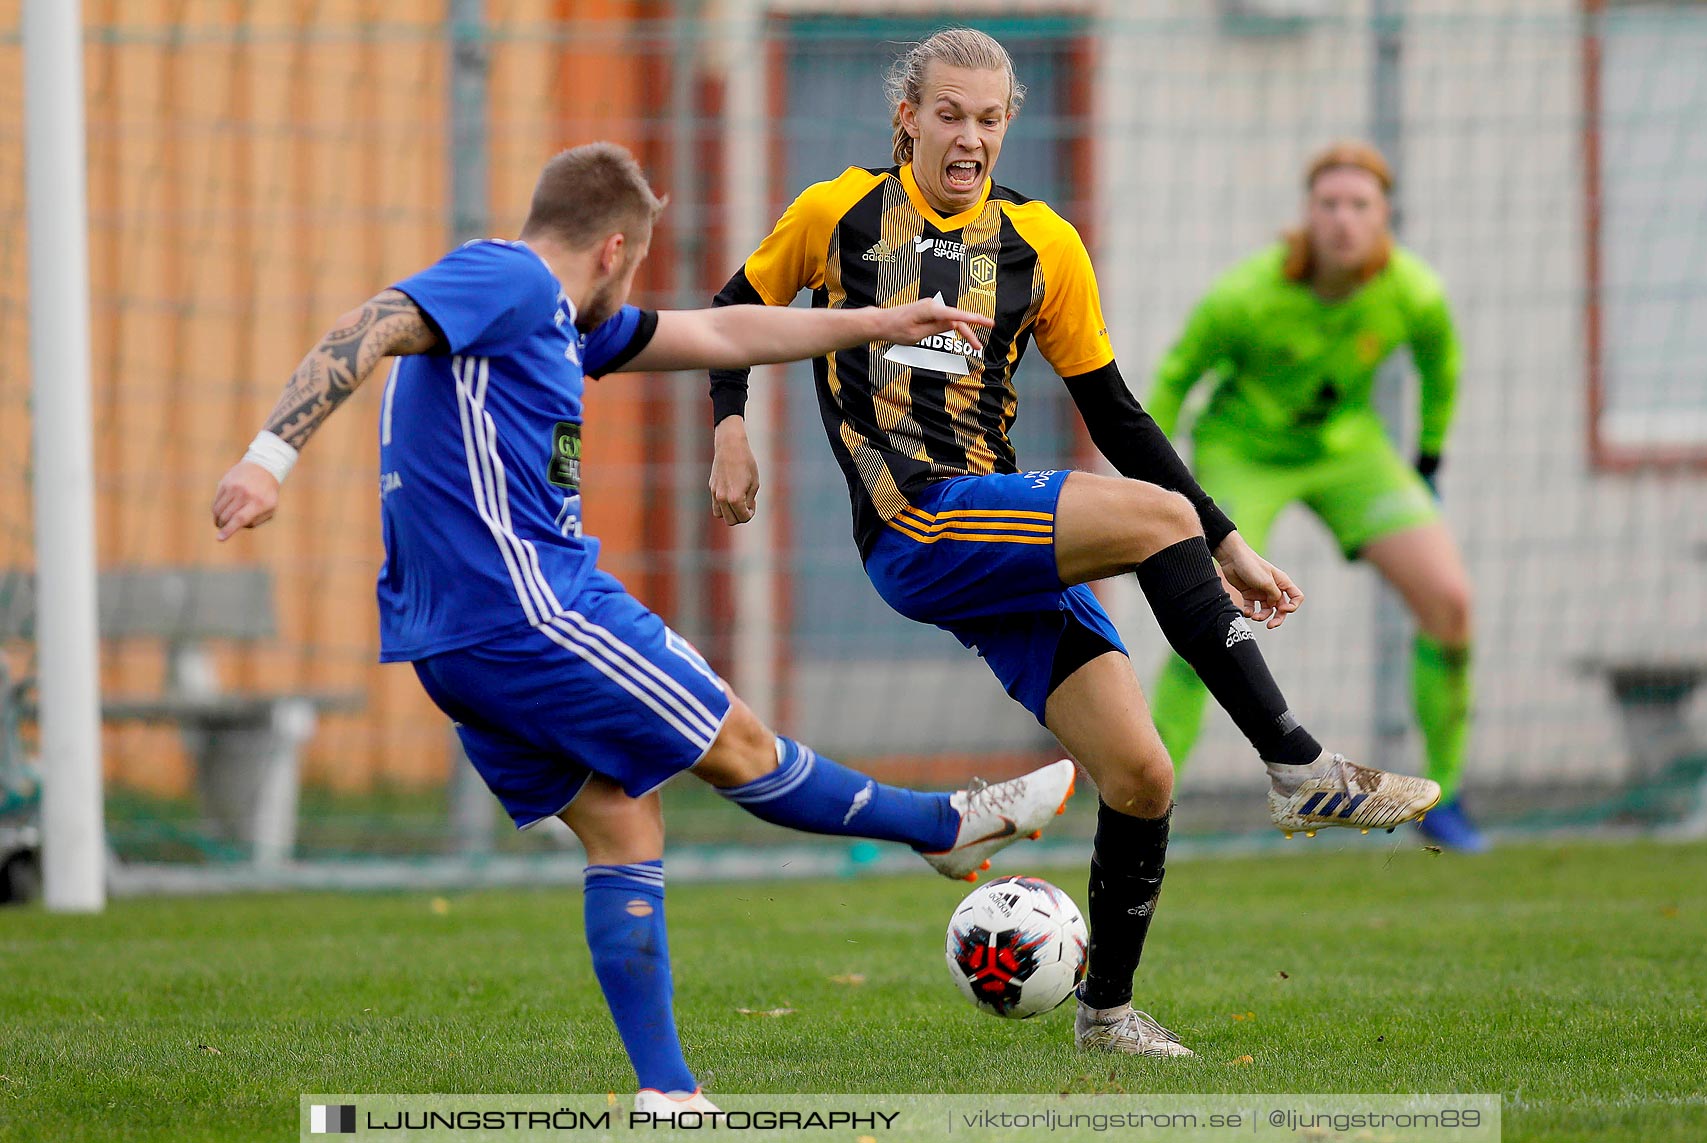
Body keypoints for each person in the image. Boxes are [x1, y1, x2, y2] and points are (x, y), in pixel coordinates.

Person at [210, 141, 1078, 1111]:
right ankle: (939, 827)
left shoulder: (553, 325)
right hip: (530, 607)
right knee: (739, 743)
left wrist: (878, 319)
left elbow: (714, 338)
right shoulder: (511, 280)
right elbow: (368, 323)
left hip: (446, 641)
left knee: (624, 825)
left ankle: (668, 1092)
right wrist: (264, 460)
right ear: (616, 247)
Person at [706, 29, 1441, 1058]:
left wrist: (1222, 540)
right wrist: (730, 427)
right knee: (1152, 517)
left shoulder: (1043, 244)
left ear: (1010, 124)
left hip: (997, 525)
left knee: (1141, 775)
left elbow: (1117, 410)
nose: (971, 136)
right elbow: (734, 312)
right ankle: (1296, 762)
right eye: (951, 114)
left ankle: (1107, 1017)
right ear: (907, 118)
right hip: (916, 518)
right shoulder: (837, 213)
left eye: (991, 118)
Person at [1146, 142, 1483, 852]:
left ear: (1384, 216)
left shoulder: (1413, 292)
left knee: (1451, 604)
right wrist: (1163, 479)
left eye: (1359, 205)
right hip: (1242, 452)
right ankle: (1148, 796)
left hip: (1348, 450)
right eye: (1328, 204)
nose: (1342, 219)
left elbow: (1440, 365)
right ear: (1307, 215)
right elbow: (1175, 376)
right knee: (1209, 611)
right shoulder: (1247, 294)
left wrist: (1427, 456)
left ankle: (1446, 798)